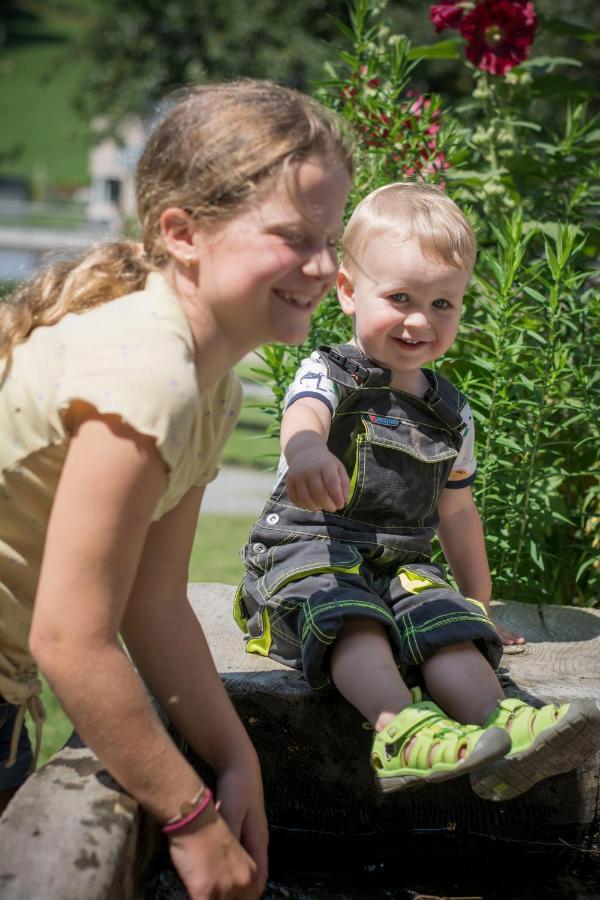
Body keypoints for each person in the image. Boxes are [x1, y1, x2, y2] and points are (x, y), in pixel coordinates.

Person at [0, 79, 352, 898]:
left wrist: (236, 759)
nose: (327, 266)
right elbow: (71, 639)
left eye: (331, 237)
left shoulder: (211, 385)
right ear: (183, 232)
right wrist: (191, 821)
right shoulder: (148, 371)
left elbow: (152, 604)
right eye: (295, 237)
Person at [236, 182, 600, 802]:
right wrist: (305, 450)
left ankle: (502, 726)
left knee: (445, 620)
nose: (419, 320)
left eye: (442, 304)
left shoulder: (452, 414)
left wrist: (479, 601)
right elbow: (305, 414)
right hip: (308, 556)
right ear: (348, 292)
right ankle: (398, 729)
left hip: (397, 563)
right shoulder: (331, 372)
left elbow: (457, 511)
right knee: (353, 620)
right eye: (400, 297)